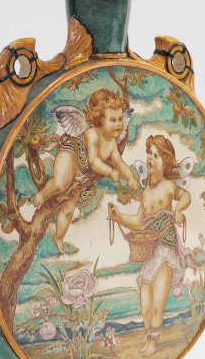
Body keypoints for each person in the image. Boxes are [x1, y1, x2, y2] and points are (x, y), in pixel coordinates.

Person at [108, 135, 195, 357]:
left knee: (157, 303)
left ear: (165, 162)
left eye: (156, 155)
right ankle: (149, 337)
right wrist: (118, 217)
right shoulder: (145, 191)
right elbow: (138, 222)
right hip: (148, 252)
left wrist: (178, 210)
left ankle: (153, 343)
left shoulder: (168, 186)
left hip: (165, 249)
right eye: (149, 153)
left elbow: (186, 196)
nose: (150, 158)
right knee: (145, 306)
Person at [32, 88, 140, 255]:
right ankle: (43, 194)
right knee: (62, 183)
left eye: (120, 119)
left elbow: (119, 162)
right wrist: (110, 171)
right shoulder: (93, 134)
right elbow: (94, 162)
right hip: (70, 154)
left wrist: (130, 177)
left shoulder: (112, 143)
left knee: (69, 208)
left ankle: (58, 237)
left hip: (80, 173)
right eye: (113, 120)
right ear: (101, 120)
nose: (119, 124)